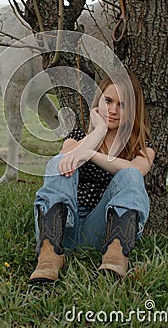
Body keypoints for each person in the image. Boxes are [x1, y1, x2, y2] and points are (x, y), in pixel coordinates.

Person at [29, 69, 155, 283]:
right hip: (63, 228)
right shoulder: (77, 137)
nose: (113, 110)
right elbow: (64, 159)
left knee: (129, 174)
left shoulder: (142, 148)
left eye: (122, 105)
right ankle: (48, 256)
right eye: (108, 101)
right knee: (59, 164)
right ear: (98, 101)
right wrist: (99, 131)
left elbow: (135, 172)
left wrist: (90, 155)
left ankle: (116, 255)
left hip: (101, 233)